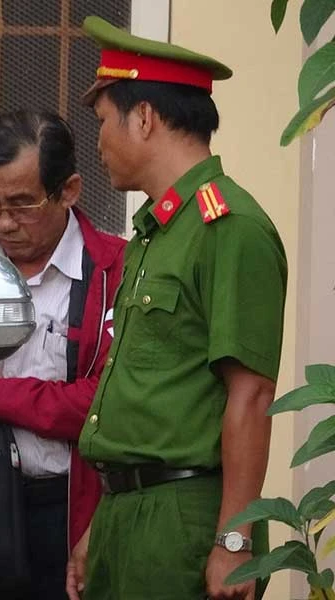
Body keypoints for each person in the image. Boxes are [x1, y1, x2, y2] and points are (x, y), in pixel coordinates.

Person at [67, 17, 288, 600]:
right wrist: (103, 520)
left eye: (103, 121)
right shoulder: (157, 232)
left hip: (184, 521)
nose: (98, 143)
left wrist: (234, 541)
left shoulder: (229, 228)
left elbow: (252, 394)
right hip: (130, 514)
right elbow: (148, 396)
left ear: (143, 117)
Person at [0, 109, 125, 599]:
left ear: (69, 190)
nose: (5, 223)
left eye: (22, 204)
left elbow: (107, 405)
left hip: (70, 510)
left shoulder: (115, 271)